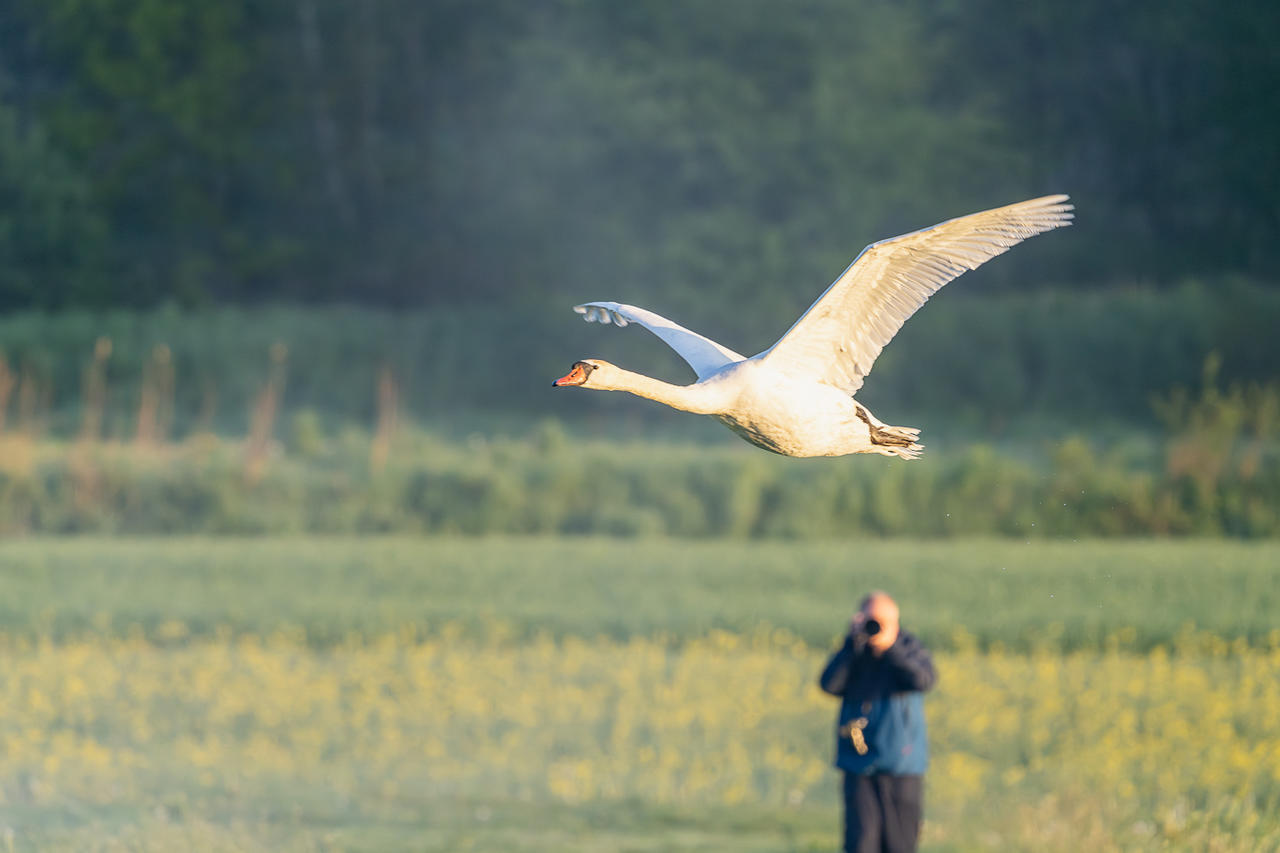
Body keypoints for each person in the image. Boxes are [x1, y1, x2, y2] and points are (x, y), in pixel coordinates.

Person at [819, 591, 936, 853]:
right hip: (858, 762)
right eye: (871, 620)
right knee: (860, 844)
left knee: (900, 846)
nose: (875, 627)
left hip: (902, 763)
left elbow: (922, 681)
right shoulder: (855, 650)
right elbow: (829, 684)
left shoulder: (908, 646)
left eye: (882, 621)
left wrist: (890, 648)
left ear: (895, 620)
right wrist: (852, 643)